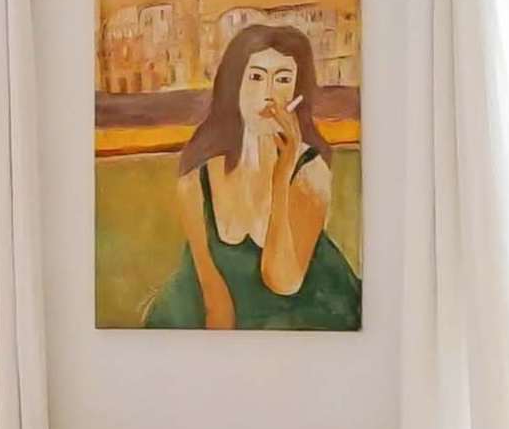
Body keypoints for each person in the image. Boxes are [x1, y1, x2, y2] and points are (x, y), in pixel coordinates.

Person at [143, 21, 361, 331]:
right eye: (256, 77)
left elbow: (284, 281)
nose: (269, 94)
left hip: (307, 312)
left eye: (283, 80)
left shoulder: (310, 171)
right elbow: (214, 298)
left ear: (297, 93)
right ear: (235, 85)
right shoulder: (197, 179)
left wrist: (282, 176)